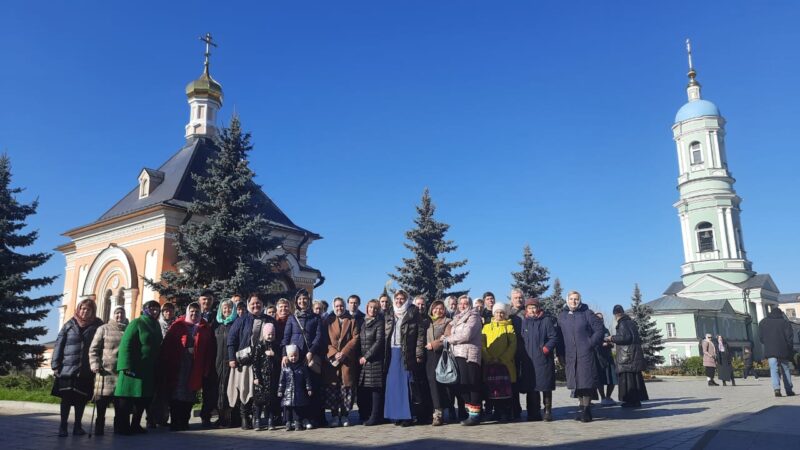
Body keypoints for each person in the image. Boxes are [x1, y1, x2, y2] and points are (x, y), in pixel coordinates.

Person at [159, 302, 215, 431]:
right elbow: (167, 344)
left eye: (196, 312)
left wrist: (206, 368)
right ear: (188, 312)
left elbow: (209, 350)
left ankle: (184, 421)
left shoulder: (205, 327)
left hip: (195, 366)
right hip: (178, 365)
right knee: (176, 394)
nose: (194, 314)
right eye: (192, 311)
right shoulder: (178, 325)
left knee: (190, 394)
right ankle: (174, 422)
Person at [51, 298, 103, 437]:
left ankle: (78, 426)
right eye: (82, 308)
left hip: (86, 369)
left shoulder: (98, 325)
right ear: (79, 309)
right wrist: (55, 365)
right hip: (67, 369)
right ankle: (63, 426)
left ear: (93, 311)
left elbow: (102, 346)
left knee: (81, 399)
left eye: (88, 309)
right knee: (66, 399)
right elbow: (59, 345)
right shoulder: (69, 324)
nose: (84, 311)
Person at [114, 300, 163, 435]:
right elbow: (126, 344)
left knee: (142, 399)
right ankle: (121, 426)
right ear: (145, 309)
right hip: (132, 368)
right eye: (152, 308)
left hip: (147, 369)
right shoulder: (137, 323)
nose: (154, 311)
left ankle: (135, 425)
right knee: (126, 398)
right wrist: (125, 365)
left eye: (157, 309)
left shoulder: (156, 325)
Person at [557, 290, 604, 423]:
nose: (574, 301)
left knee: (586, 382)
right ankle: (582, 409)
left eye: (576, 299)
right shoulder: (562, 316)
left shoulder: (586, 313)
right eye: (571, 299)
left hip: (585, 353)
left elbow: (599, 329)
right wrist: (560, 353)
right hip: (570, 354)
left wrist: (590, 343)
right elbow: (559, 336)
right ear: (567, 300)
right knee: (577, 383)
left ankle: (587, 410)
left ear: (580, 300)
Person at [227, 294, 273, 430]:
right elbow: (231, 340)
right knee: (245, 389)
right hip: (245, 362)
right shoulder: (242, 320)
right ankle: (244, 418)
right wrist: (231, 358)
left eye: (258, 303)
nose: (256, 306)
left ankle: (256, 418)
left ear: (262, 304)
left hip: (262, 363)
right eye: (253, 303)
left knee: (258, 390)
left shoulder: (269, 320)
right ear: (248, 305)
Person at [282, 289, 323, 429]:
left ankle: (310, 418)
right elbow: (286, 337)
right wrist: (284, 355)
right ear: (296, 301)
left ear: (309, 300)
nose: (302, 301)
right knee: (297, 389)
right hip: (295, 356)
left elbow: (318, 337)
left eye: (305, 299)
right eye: (299, 299)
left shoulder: (315, 318)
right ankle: (297, 418)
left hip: (308, 356)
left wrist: (311, 352)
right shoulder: (292, 318)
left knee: (310, 388)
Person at [383, 289, 425, 426]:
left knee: (406, 385)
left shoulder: (413, 312)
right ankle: (396, 415)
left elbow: (420, 334)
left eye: (402, 298)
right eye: (397, 298)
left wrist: (419, 353)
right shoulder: (390, 313)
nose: (399, 301)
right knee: (393, 385)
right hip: (392, 352)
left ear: (406, 299)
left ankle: (408, 416)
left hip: (407, 352)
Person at [444, 295, 483, 426]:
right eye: (460, 303)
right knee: (461, 385)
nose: (462, 305)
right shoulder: (457, 318)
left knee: (472, 384)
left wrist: (448, 339)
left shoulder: (474, 317)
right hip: (457, 355)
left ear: (470, 305)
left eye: (465, 303)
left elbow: (466, 335)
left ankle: (475, 415)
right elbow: (451, 332)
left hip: (469, 356)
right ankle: (471, 411)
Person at [88, 306, 127, 435]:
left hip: (122, 373)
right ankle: (99, 428)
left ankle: (119, 429)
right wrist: (94, 363)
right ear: (112, 314)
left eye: (121, 313)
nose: (119, 316)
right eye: (117, 313)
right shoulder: (103, 329)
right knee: (101, 403)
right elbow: (93, 349)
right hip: (105, 372)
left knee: (120, 404)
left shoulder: (128, 329)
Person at [520, 298, 559, 421]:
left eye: (534, 307)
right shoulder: (524, 322)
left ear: (538, 308)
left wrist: (546, 349)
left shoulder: (546, 321)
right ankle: (534, 412)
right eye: (529, 307)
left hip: (543, 359)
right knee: (532, 387)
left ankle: (547, 411)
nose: (532, 310)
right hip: (529, 361)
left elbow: (554, 337)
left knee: (545, 386)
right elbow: (522, 339)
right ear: (526, 309)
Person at [323, 297, 360, 427]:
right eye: (337, 306)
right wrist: (334, 353)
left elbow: (356, 338)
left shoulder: (352, 320)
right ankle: (334, 416)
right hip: (332, 361)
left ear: (344, 307)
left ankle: (344, 415)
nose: (339, 308)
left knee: (346, 389)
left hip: (347, 360)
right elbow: (324, 340)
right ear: (334, 307)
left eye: (341, 306)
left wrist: (344, 353)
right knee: (333, 389)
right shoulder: (328, 321)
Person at [481, 302, 517, 423]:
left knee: (505, 390)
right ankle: (494, 412)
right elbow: (482, 345)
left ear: (505, 314)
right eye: (497, 312)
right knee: (492, 390)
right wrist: (488, 358)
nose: (499, 314)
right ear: (493, 313)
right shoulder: (486, 327)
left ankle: (505, 412)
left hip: (505, 364)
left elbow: (513, 345)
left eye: (502, 312)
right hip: (490, 364)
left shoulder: (509, 327)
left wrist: (502, 358)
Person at [608, 304, 649, 407]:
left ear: (615, 314)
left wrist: (611, 338)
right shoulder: (631, 322)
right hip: (633, 355)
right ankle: (636, 400)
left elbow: (625, 338)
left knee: (627, 379)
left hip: (626, 356)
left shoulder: (622, 323)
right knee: (634, 379)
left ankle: (629, 400)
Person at [424, 300, 453, 426]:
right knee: (430, 383)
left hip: (440, 355)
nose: (438, 311)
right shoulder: (427, 321)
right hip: (427, 356)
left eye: (441, 308)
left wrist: (434, 344)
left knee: (437, 383)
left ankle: (438, 413)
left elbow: (447, 338)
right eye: (435, 308)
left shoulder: (447, 322)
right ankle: (430, 411)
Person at [358, 299, 386, 426]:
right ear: (367, 308)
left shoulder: (379, 322)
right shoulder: (364, 323)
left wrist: (367, 356)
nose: (373, 310)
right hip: (364, 361)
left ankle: (376, 416)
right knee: (367, 389)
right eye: (371, 308)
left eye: (375, 308)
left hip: (374, 361)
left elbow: (379, 342)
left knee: (376, 390)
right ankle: (369, 414)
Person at [149, 302, 176, 428]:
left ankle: (164, 418)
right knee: (155, 392)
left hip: (170, 362)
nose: (168, 313)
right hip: (157, 362)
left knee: (166, 392)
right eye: (165, 311)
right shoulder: (157, 324)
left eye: (170, 311)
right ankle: (151, 418)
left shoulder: (175, 326)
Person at [759, 307, 795, 397]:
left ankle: (776, 389)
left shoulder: (763, 322)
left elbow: (761, 337)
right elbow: (790, 337)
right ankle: (789, 390)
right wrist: (790, 348)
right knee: (785, 369)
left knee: (773, 369)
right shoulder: (784, 322)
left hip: (770, 350)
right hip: (783, 350)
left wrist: (767, 343)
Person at [279, 344, 313, 431]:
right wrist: (280, 390)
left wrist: (309, 388)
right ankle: (288, 422)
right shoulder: (285, 368)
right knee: (287, 409)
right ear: (288, 356)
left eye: (295, 356)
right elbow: (282, 381)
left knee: (297, 408)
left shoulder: (302, 367)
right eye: (291, 356)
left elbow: (307, 379)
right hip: (288, 393)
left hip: (298, 392)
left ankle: (297, 422)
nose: (293, 358)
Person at [253, 322, 280, 430]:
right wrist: (256, 376)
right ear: (264, 334)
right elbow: (255, 363)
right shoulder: (259, 346)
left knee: (271, 400)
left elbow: (279, 362)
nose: (270, 336)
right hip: (262, 378)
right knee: (259, 400)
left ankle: (270, 419)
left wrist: (274, 355)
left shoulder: (276, 345)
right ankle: (257, 420)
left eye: (272, 334)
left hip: (273, 378)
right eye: (268, 334)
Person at [214, 299, 237, 427]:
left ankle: (230, 417)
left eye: (229, 308)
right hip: (217, 362)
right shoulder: (216, 325)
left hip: (231, 363)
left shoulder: (236, 324)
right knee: (219, 389)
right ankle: (221, 416)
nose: (227, 311)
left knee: (230, 389)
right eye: (224, 309)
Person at [197, 291, 218, 427]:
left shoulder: (216, 317)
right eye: (204, 299)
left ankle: (206, 415)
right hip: (196, 358)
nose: (206, 302)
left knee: (210, 389)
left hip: (212, 358)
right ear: (199, 300)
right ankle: (181, 415)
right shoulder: (193, 315)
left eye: (209, 299)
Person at [595, 312, 618, 406]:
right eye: (598, 318)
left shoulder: (606, 329)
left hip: (608, 357)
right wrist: (601, 344)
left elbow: (610, 341)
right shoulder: (592, 330)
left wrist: (610, 343)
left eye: (601, 318)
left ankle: (608, 397)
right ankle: (603, 398)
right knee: (600, 380)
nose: (600, 320)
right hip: (598, 358)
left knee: (612, 379)